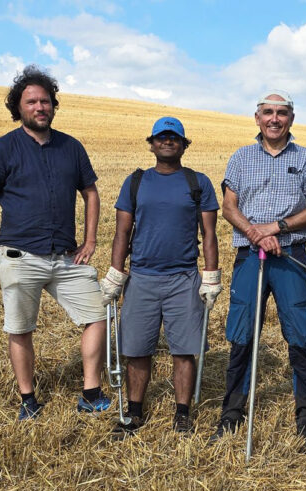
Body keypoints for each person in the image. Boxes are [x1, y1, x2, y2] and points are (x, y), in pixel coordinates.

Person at [0, 65, 108, 420]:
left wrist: (89, 240)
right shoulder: (2, 149)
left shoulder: (71, 147)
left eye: (45, 101)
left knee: (97, 315)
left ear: (54, 106)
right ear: (19, 108)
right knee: (20, 327)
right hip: (20, 254)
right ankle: (28, 399)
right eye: (32, 102)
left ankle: (90, 392)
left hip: (67, 256)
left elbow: (91, 193)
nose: (40, 107)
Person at [208, 90, 306, 453]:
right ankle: (231, 414)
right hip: (249, 257)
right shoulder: (241, 158)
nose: (274, 119)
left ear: (291, 118)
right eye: (267, 112)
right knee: (241, 333)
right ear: (257, 117)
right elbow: (229, 207)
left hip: (290, 255)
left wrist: (274, 229)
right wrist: (254, 235)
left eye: (281, 113)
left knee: (299, 334)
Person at [100, 117, 221, 437]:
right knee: (137, 349)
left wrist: (211, 275)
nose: (168, 142)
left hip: (184, 278)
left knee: (184, 349)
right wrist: (116, 274)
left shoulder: (198, 182)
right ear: (152, 143)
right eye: (161, 137)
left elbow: (209, 233)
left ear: (184, 144)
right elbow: (122, 232)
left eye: (174, 138)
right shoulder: (136, 182)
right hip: (141, 278)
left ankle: (182, 414)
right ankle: (134, 413)